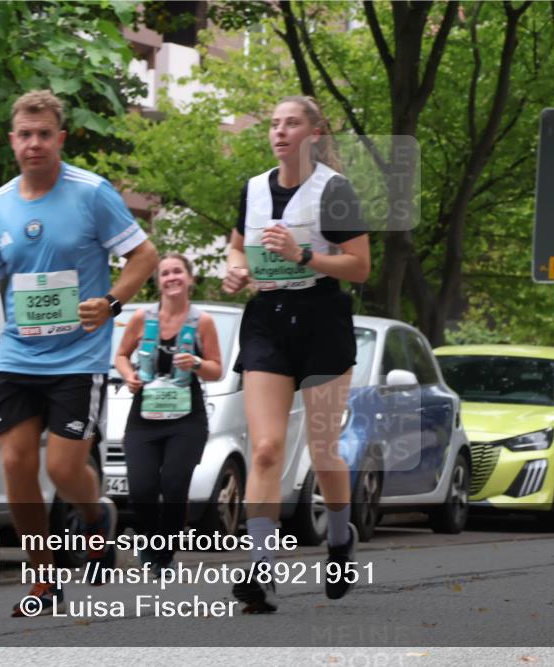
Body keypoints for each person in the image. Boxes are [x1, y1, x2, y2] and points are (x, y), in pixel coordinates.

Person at [0, 90, 159, 616]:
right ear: (12, 141)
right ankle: (43, 578)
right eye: (25, 135)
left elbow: (144, 255)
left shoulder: (91, 193)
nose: (35, 144)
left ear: (60, 139)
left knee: (65, 468)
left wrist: (111, 302)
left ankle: (95, 518)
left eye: (44, 134)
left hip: (78, 357)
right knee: (15, 464)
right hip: (19, 357)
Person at [222, 96, 370, 613]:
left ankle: (339, 540)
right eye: (274, 124)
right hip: (268, 320)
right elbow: (236, 246)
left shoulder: (335, 190)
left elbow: (359, 266)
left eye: (291, 123)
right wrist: (235, 268)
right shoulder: (252, 189)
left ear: (314, 133)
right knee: (265, 449)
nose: (279, 131)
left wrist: (302, 255)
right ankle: (261, 570)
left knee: (324, 450)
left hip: (322, 319)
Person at [113, 253, 222, 576]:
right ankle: (150, 541)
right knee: (141, 489)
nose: (172, 277)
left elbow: (216, 369)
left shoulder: (202, 322)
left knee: (174, 486)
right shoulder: (142, 318)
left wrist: (197, 363)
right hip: (144, 416)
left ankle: (164, 554)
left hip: (186, 418)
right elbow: (121, 355)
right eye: (165, 273)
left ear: (190, 279)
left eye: (178, 272)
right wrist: (129, 376)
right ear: (158, 282)